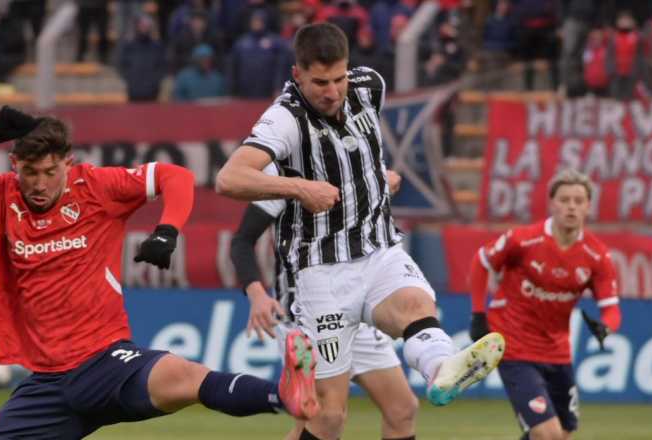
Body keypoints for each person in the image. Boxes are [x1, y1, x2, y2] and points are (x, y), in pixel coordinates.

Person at [0, 106, 320, 439]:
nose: (39, 184)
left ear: (68, 162)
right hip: (47, 385)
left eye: (50, 171)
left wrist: (167, 231)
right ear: (14, 164)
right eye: (30, 172)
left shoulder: (95, 186)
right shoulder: (0, 196)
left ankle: (283, 394)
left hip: (104, 363)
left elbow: (176, 177)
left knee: (186, 378)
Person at [216, 23, 504, 440]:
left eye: (339, 79)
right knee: (328, 416)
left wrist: (372, 179)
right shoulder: (286, 118)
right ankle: (433, 363)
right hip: (322, 275)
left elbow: (356, 148)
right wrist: (300, 187)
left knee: (413, 310)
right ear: (298, 75)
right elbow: (229, 178)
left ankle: (442, 367)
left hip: (377, 250)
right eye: (319, 82)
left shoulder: (371, 86)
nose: (332, 91)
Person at [231, 164, 420, 440]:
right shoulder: (283, 173)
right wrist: (257, 294)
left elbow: (382, 188)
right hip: (308, 312)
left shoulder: (356, 154)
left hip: (357, 307)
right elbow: (242, 241)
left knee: (402, 408)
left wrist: (382, 183)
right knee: (326, 417)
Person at [468, 168, 623, 440]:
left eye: (578, 200)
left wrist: (606, 326)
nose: (571, 207)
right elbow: (481, 263)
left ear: (588, 207)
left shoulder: (596, 256)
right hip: (515, 347)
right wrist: (478, 314)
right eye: (564, 200)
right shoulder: (523, 239)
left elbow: (611, 307)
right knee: (547, 434)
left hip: (558, 353)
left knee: (563, 433)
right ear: (552, 204)